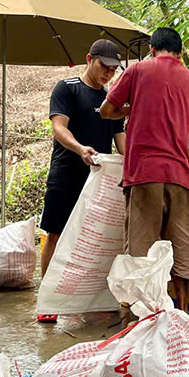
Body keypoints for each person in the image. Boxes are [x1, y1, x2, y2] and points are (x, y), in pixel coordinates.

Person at [99, 27, 189, 312]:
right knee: (181, 245)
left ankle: (140, 318)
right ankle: (182, 311)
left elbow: (106, 110)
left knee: (140, 249)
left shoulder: (136, 72)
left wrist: (131, 111)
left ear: (151, 50)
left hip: (143, 174)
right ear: (180, 53)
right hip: (179, 175)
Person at [37, 38, 126, 322]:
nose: (108, 74)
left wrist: (133, 162)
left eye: (113, 71)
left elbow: (120, 140)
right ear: (89, 58)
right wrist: (79, 148)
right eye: (104, 67)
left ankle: (92, 298)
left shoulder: (110, 100)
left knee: (98, 238)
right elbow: (58, 128)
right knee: (56, 232)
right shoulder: (67, 89)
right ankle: (48, 302)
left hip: (99, 178)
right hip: (67, 171)